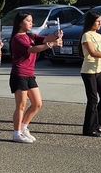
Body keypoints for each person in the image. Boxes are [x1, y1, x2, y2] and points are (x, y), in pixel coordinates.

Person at [8, 11, 62, 144]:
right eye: (28, 20)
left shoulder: (30, 36)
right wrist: (52, 45)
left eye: (32, 21)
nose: (31, 23)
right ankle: (16, 133)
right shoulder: (17, 39)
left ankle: (23, 127)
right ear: (20, 23)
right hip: (19, 74)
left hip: (30, 74)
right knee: (21, 105)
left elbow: (44, 39)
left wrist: (56, 35)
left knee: (37, 103)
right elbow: (32, 49)